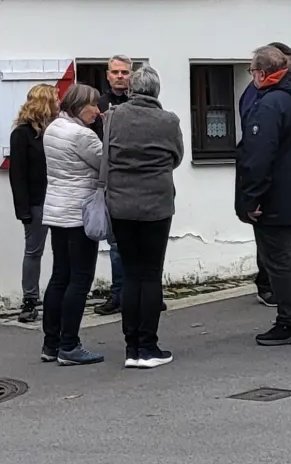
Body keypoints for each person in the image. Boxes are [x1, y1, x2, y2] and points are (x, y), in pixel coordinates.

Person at [235, 45, 291, 347]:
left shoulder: (269, 104)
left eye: (251, 71)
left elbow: (258, 156)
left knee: (278, 259)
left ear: (261, 73)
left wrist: (250, 198)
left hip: (276, 195)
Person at [103, 65, 184, 368]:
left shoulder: (113, 117)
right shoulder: (168, 120)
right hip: (156, 205)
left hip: (121, 204)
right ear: (156, 91)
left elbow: (106, 156)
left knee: (131, 273)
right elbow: (176, 156)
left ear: (132, 90)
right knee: (150, 274)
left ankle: (131, 347)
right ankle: (148, 347)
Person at [39, 83, 106, 366]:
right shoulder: (82, 135)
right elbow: (105, 163)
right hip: (80, 213)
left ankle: (51, 343)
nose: (97, 110)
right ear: (80, 106)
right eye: (93, 105)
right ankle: (70, 344)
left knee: (59, 277)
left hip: (56, 210)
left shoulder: (53, 129)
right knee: (80, 279)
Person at [240, 41, 291, 308]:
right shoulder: (258, 97)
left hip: (281, 185)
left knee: (285, 250)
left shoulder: (286, 96)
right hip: (277, 187)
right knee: (279, 250)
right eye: (287, 61)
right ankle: (273, 292)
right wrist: (253, 195)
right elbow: (256, 148)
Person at [7, 84, 58, 323]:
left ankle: (58, 294)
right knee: (34, 250)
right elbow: (17, 174)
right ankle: (30, 299)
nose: (59, 104)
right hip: (37, 201)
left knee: (62, 250)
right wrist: (23, 209)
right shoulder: (22, 133)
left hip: (58, 198)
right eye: (55, 100)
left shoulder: (57, 131)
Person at [90, 54, 132, 317]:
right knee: (116, 244)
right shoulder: (99, 106)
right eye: (115, 72)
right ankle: (118, 295)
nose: (119, 76)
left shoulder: (139, 103)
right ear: (107, 75)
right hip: (111, 181)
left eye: (124, 72)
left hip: (136, 180)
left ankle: (147, 293)